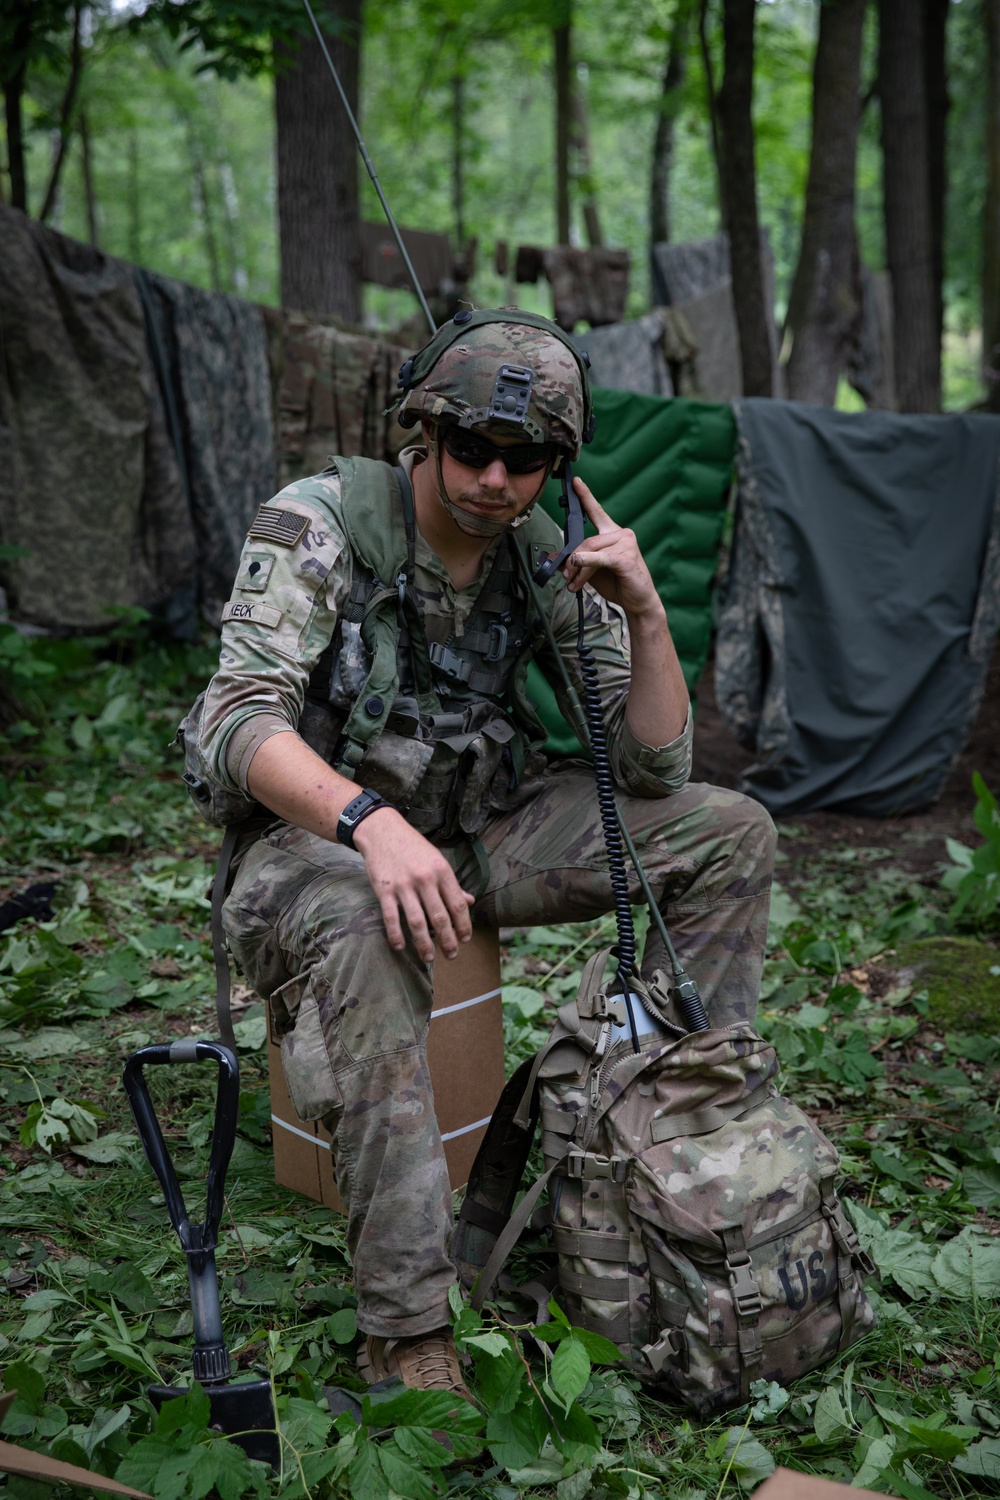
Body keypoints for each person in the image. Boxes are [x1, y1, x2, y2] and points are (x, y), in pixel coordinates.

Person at [199, 310, 775, 1398]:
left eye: (525, 460)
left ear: (557, 467)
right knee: (371, 921)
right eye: (471, 449)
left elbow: (651, 767)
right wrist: (370, 824)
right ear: (424, 434)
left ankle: (684, 1156)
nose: (494, 479)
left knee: (729, 828)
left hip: (474, 833)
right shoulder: (322, 521)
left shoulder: (541, 557)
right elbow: (233, 724)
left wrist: (644, 614)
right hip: (309, 852)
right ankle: (409, 1328)